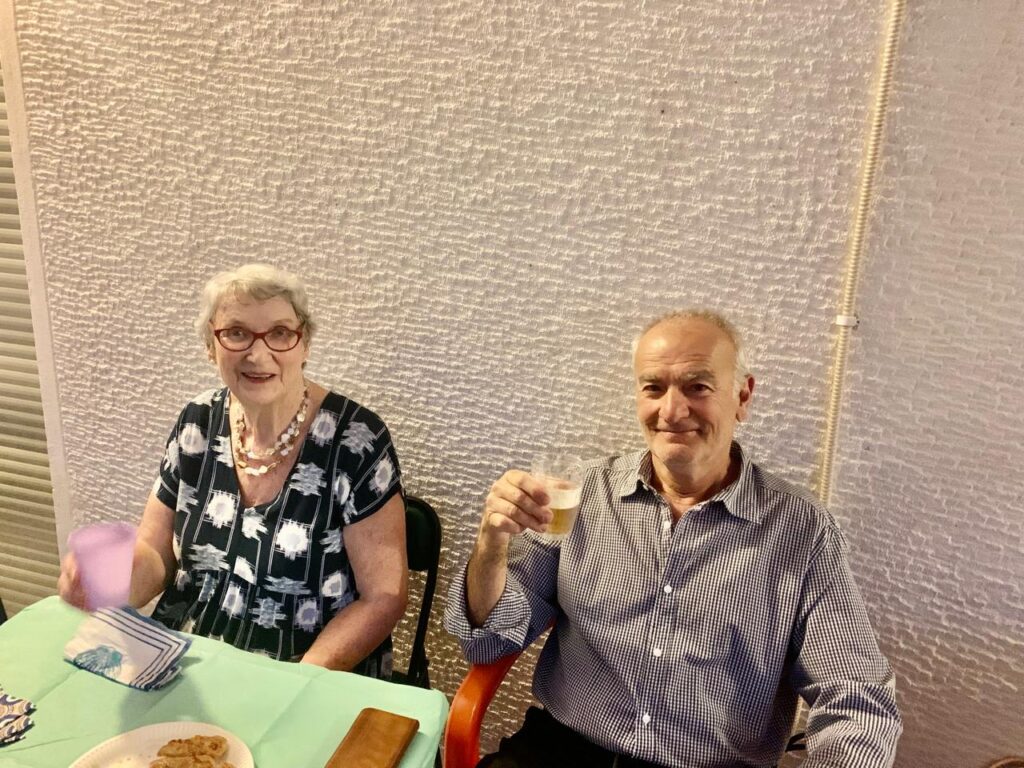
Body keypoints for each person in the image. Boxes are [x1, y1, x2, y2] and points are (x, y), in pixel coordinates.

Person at [444, 310, 902, 767]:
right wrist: (491, 545)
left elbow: (858, 703)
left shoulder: (801, 531)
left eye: (697, 387)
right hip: (561, 751)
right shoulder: (584, 492)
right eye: (654, 388)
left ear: (742, 397)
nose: (671, 411)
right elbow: (488, 641)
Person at [58, 263, 407, 677]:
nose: (258, 355)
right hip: (189, 660)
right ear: (212, 346)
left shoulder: (357, 440)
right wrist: (110, 582)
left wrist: (298, 682)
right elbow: (157, 555)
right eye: (237, 333)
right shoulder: (198, 422)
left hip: (308, 667)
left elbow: (383, 597)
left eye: (280, 333)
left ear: (305, 344)